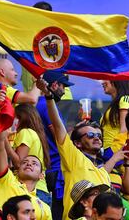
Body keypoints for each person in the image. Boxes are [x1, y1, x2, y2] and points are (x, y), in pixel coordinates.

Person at [36, 78, 129, 220]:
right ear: (77, 143)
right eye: (90, 135)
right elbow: (58, 127)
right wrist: (49, 97)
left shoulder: (102, 172)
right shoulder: (73, 158)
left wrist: (118, 157)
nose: (96, 138)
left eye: (99, 135)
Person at [36, 70, 74, 219]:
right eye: (63, 86)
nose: (64, 91)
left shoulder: (43, 104)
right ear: (54, 84)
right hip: (55, 169)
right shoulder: (46, 104)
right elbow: (59, 136)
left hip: (52, 168)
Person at [0, 130, 52, 219]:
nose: (29, 164)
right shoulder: (7, 180)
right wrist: (0, 130)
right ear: (18, 170)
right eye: (24, 162)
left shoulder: (44, 208)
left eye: (34, 163)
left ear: (41, 175)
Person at [5, 103, 51, 205]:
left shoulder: (25, 132)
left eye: (14, 118)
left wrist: (4, 141)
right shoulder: (36, 134)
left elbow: (19, 163)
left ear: (21, 118)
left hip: (32, 190)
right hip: (41, 190)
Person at [100, 80, 129, 149]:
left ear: (117, 82)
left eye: (107, 79)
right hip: (107, 149)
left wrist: (115, 150)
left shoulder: (125, 99)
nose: (103, 82)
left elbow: (124, 130)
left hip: (115, 149)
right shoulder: (113, 106)